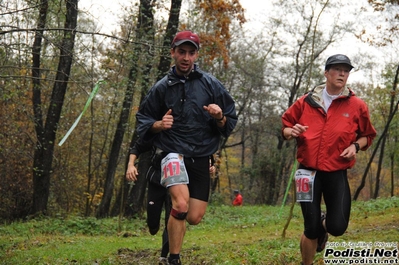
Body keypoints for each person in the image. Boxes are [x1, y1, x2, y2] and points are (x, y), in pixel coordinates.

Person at [136, 30, 237, 265]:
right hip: (172, 152)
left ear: (196, 56)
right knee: (180, 204)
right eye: (181, 52)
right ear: (173, 53)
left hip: (201, 154)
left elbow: (229, 122)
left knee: (193, 216)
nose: (186, 57)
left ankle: (170, 229)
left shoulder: (211, 84)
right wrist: (158, 125)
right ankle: (173, 258)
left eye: (191, 53)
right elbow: (142, 120)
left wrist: (220, 116)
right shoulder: (161, 87)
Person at [281, 54, 376, 265]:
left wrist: (355, 146)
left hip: (336, 172)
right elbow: (285, 127)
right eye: (337, 69)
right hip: (307, 173)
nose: (342, 73)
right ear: (326, 73)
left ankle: (324, 224)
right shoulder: (306, 101)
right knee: (310, 228)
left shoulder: (357, 105)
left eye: (346, 70)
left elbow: (367, 135)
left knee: (337, 227)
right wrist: (291, 131)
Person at [126, 138, 170, 265]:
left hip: (176, 182)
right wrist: (131, 165)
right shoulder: (157, 131)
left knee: (172, 219)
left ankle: (165, 256)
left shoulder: (185, 130)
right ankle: (153, 226)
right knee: (152, 222)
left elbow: (200, 146)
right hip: (156, 179)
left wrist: (209, 164)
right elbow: (137, 147)